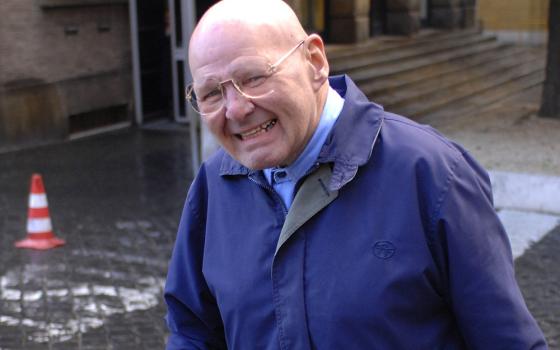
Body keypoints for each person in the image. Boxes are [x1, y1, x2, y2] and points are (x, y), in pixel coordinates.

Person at [164, 0, 548, 348]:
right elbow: (192, 331)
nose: (236, 109)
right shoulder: (213, 185)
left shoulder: (432, 174)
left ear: (314, 61)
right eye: (212, 93)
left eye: (253, 78)